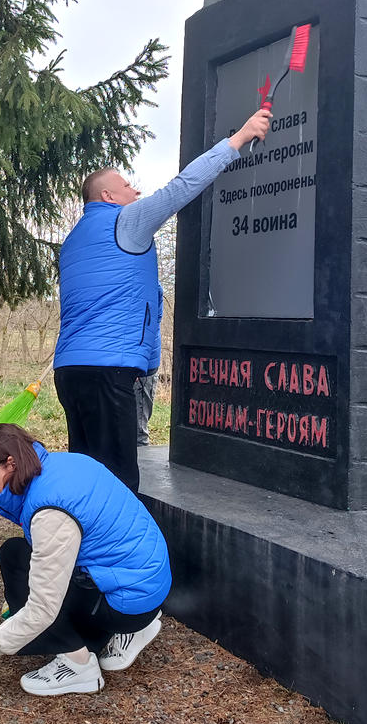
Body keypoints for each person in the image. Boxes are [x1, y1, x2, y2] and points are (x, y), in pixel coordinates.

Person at [54, 108, 271, 491]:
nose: (135, 191)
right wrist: (239, 139)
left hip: (69, 372)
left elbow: (134, 301)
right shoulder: (126, 221)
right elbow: (181, 188)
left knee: (86, 479)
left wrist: (149, 364)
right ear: (107, 195)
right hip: (109, 371)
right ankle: (120, 551)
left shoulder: (73, 242)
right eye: (127, 185)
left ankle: (80, 549)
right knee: (118, 485)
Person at [0, 423, 171, 696]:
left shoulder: (51, 511)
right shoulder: (61, 464)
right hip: (145, 583)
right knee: (18, 554)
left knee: (16, 566)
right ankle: (136, 626)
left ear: (11, 463)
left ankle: (79, 668)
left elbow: (42, 609)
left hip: (128, 600)